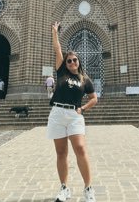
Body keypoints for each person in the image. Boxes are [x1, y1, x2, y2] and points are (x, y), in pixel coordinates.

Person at [48, 21, 98, 202]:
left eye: (74, 60)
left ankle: (88, 188)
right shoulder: (61, 72)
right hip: (57, 114)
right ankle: (64, 188)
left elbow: (94, 98)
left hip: (74, 116)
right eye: (69, 60)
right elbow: (57, 49)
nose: (71, 62)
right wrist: (55, 32)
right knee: (61, 153)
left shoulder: (85, 79)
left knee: (80, 149)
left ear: (79, 62)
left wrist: (83, 108)